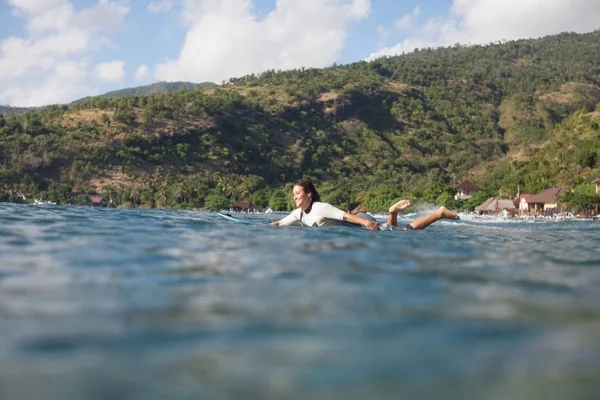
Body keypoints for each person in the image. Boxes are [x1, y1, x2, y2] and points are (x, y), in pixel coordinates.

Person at [270, 180, 460, 230]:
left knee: (403, 232)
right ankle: (393, 214)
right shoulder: (299, 213)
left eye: (297, 193)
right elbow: (279, 223)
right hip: (357, 224)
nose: (294, 197)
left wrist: (368, 224)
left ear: (308, 195)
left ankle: (438, 213)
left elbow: (347, 216)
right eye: (294, 194)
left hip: (361, 222)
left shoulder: (320, 207)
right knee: (398, 230)